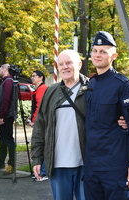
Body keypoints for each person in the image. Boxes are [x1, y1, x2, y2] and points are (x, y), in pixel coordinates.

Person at [83, 31, 129, 199]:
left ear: (114, 56)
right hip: (91, 165)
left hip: (114, 165)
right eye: (95, 50)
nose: (97, 55)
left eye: (103, 51)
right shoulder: (91, 83)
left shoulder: (124, 86)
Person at [31, 50, 87, 200]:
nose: (64, 67)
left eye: (69, 63)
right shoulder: (51, 92)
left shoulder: (92, 89)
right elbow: (40, 127)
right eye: (61, 64)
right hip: (58, 163)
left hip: (87, 163)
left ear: (79, 64)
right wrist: (37, 158)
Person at [0, 64, 16, 175]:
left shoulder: (8, 81)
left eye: (0, 69)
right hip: (4, 114)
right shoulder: (4, 81)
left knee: (8, 140)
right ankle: (1, 162)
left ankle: (12, 164)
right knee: (2, 139)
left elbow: (6, 99)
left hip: (6, 116)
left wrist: (2, 116)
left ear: (4, 70)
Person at [26, 70, 48, 182]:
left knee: (41, 145)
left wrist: (34, 120)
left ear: (41, 77)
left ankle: (43, 171)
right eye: (31, 76)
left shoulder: (42, 89)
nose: (31, 78)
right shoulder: (39, 89)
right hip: (39, 121)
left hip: (41, 123)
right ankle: (40, 171)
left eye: (34, 76)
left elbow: (39, 107)